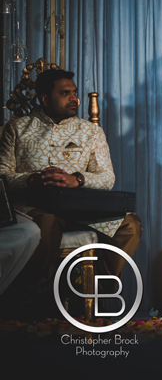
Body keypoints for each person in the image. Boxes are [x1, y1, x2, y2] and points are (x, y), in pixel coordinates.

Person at [0, 69, 142, 312]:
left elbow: (107, 178)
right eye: (65, 93)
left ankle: (90, 291)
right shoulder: (18, 128)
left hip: (80, 208)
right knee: (46, 225)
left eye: (74, 93)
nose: (74, 99)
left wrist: (76, 179)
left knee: (130, 226)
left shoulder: (90, 131)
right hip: (35, 207)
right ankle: (29, 300)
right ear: (44, 98)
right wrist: (34, 179)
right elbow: (3, 176)